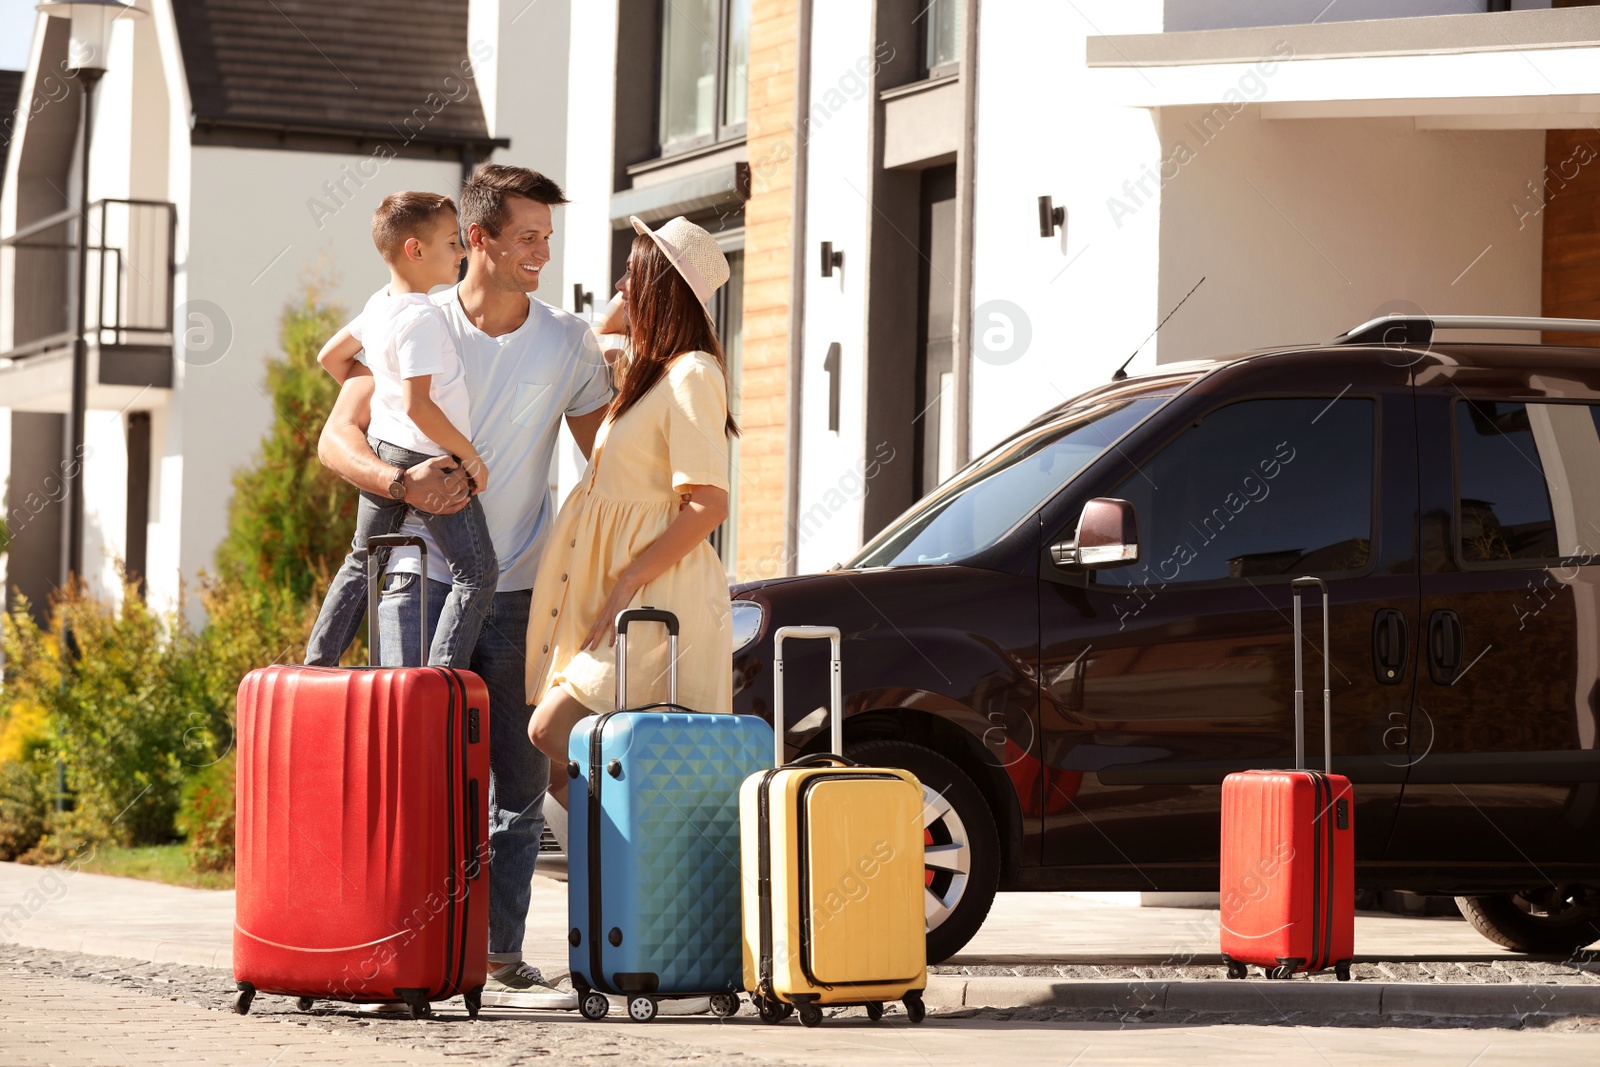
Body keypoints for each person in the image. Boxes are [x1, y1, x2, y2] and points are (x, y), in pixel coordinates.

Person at [316, 165, 611, 1008]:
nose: (542, 255)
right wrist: (400, 483)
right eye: (527, 238)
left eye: (548, 240)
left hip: (518, 588)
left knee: (516, 786)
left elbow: (610, 462)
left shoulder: (569, 341)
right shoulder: (414, 316)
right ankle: (401, 955)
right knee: (414, 776)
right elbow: (339, 436)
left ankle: (497, 958)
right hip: (418, 578)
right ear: (475, 239)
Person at [525, 215, 738, 818]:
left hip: (653, 596)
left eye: (632, 270)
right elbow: (598, 340)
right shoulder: (651, 374)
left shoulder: (694, 372)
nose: (620, 282)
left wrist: (627, 581)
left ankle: (625, 871)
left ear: (658, 282)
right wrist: (620, 313)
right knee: (574, 752)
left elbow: (709, 504)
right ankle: (619, 886)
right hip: (618, 590)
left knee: (552, 733)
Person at [305, 192, 496, 669]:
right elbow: (418, 405)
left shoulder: (379, 305)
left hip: (386, 449)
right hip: (429, 458)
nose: (462, 253)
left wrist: (378, 384)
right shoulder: (421, 315)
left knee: (363, 560)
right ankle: (439, 679)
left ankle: (315, 663)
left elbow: (331, 357)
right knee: (477, 574)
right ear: (415, 250)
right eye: (453, 244)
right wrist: (470, 459)